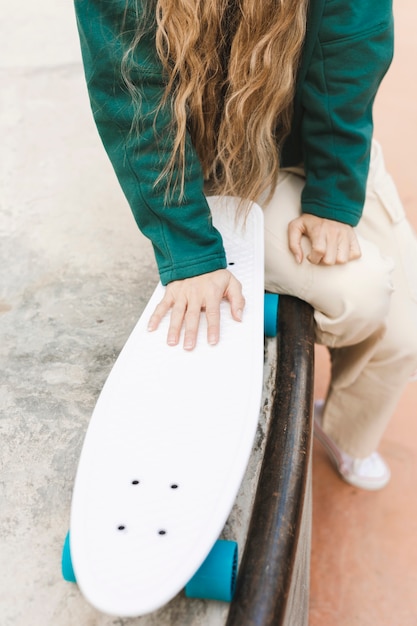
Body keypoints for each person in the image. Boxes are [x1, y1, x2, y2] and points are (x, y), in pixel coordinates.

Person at [73, 0, 417, 490]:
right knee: (361, 294)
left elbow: (352, 46)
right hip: (224, 163)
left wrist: (333, 198)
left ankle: (342, 428)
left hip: (316, 135)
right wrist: (189, 251)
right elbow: (129, 92)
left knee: (405, 335)